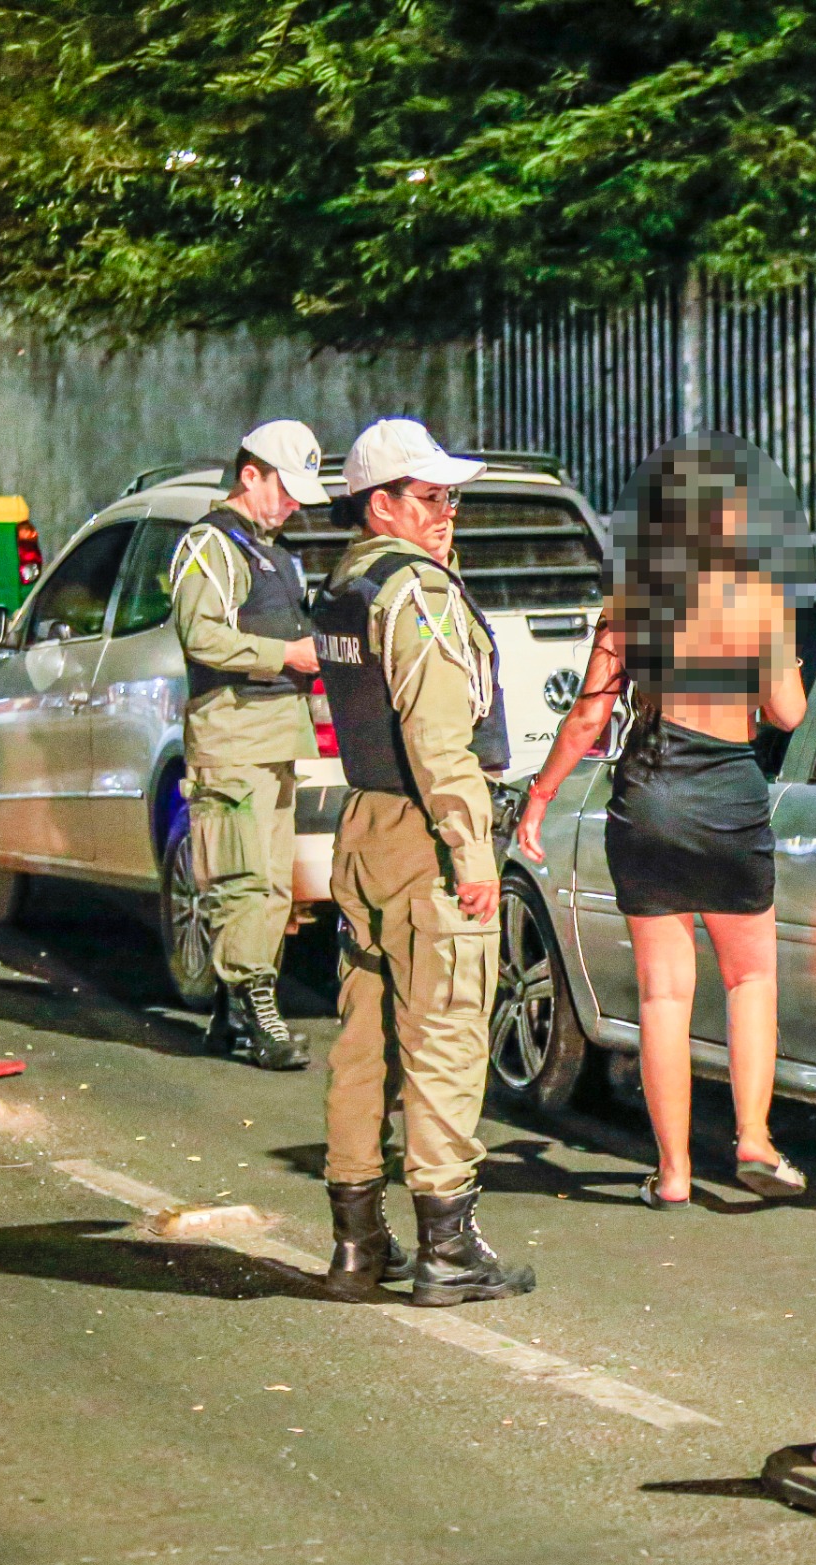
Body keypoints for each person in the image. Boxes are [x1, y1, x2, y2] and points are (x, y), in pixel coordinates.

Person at [513, 436, 809, 1208]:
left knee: (663, 997)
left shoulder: (632, 604)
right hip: (728, 801)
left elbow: (586, 719)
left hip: (646, 801)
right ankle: (752, 1139)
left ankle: (673, 1173)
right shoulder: (759, 600)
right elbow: (788, 712)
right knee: (749, 977)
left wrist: (539, 799)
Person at [312, 418, 532, 1306]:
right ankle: (448, 1248)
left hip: (365, 823)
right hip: (425, 835)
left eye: (453, 498)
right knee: (443, 1034)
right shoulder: (418, 593)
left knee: (363, 1041)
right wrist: (472, 852)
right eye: (433, 497)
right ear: (382, 504)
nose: (450, 514)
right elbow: (439, 737)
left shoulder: (345, 586)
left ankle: (357, 1244)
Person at [171, 421, 328, 1071]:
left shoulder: (274, 552)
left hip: (271, 736)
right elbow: (200, 636)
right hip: (232, 738)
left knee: (268, 886)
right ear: (250, 475)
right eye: (284, 489)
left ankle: (231, 1014)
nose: (292, 504)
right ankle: (257, 1015)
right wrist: (285, 654)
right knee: (247, 880)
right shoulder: (210, 545)